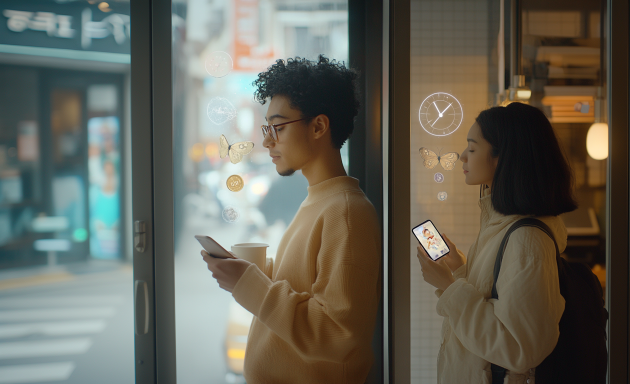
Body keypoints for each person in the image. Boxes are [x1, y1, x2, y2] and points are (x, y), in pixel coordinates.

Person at [200, 56, 381, 383]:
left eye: (278, 127)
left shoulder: (348, 213)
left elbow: (338, 335)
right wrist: (254, 272)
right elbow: (306, 287)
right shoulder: (320, 200)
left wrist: (250, 285)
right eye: (266, 128)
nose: (267, 141)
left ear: (318, 126)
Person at [415, 102, 576, 384]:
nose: (463, 156)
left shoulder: (527, 240)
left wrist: (449, 286)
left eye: (473, 148)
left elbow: (519, 348)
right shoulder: (500, 224)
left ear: (503, 158)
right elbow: (494, 302)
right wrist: (460, 270)